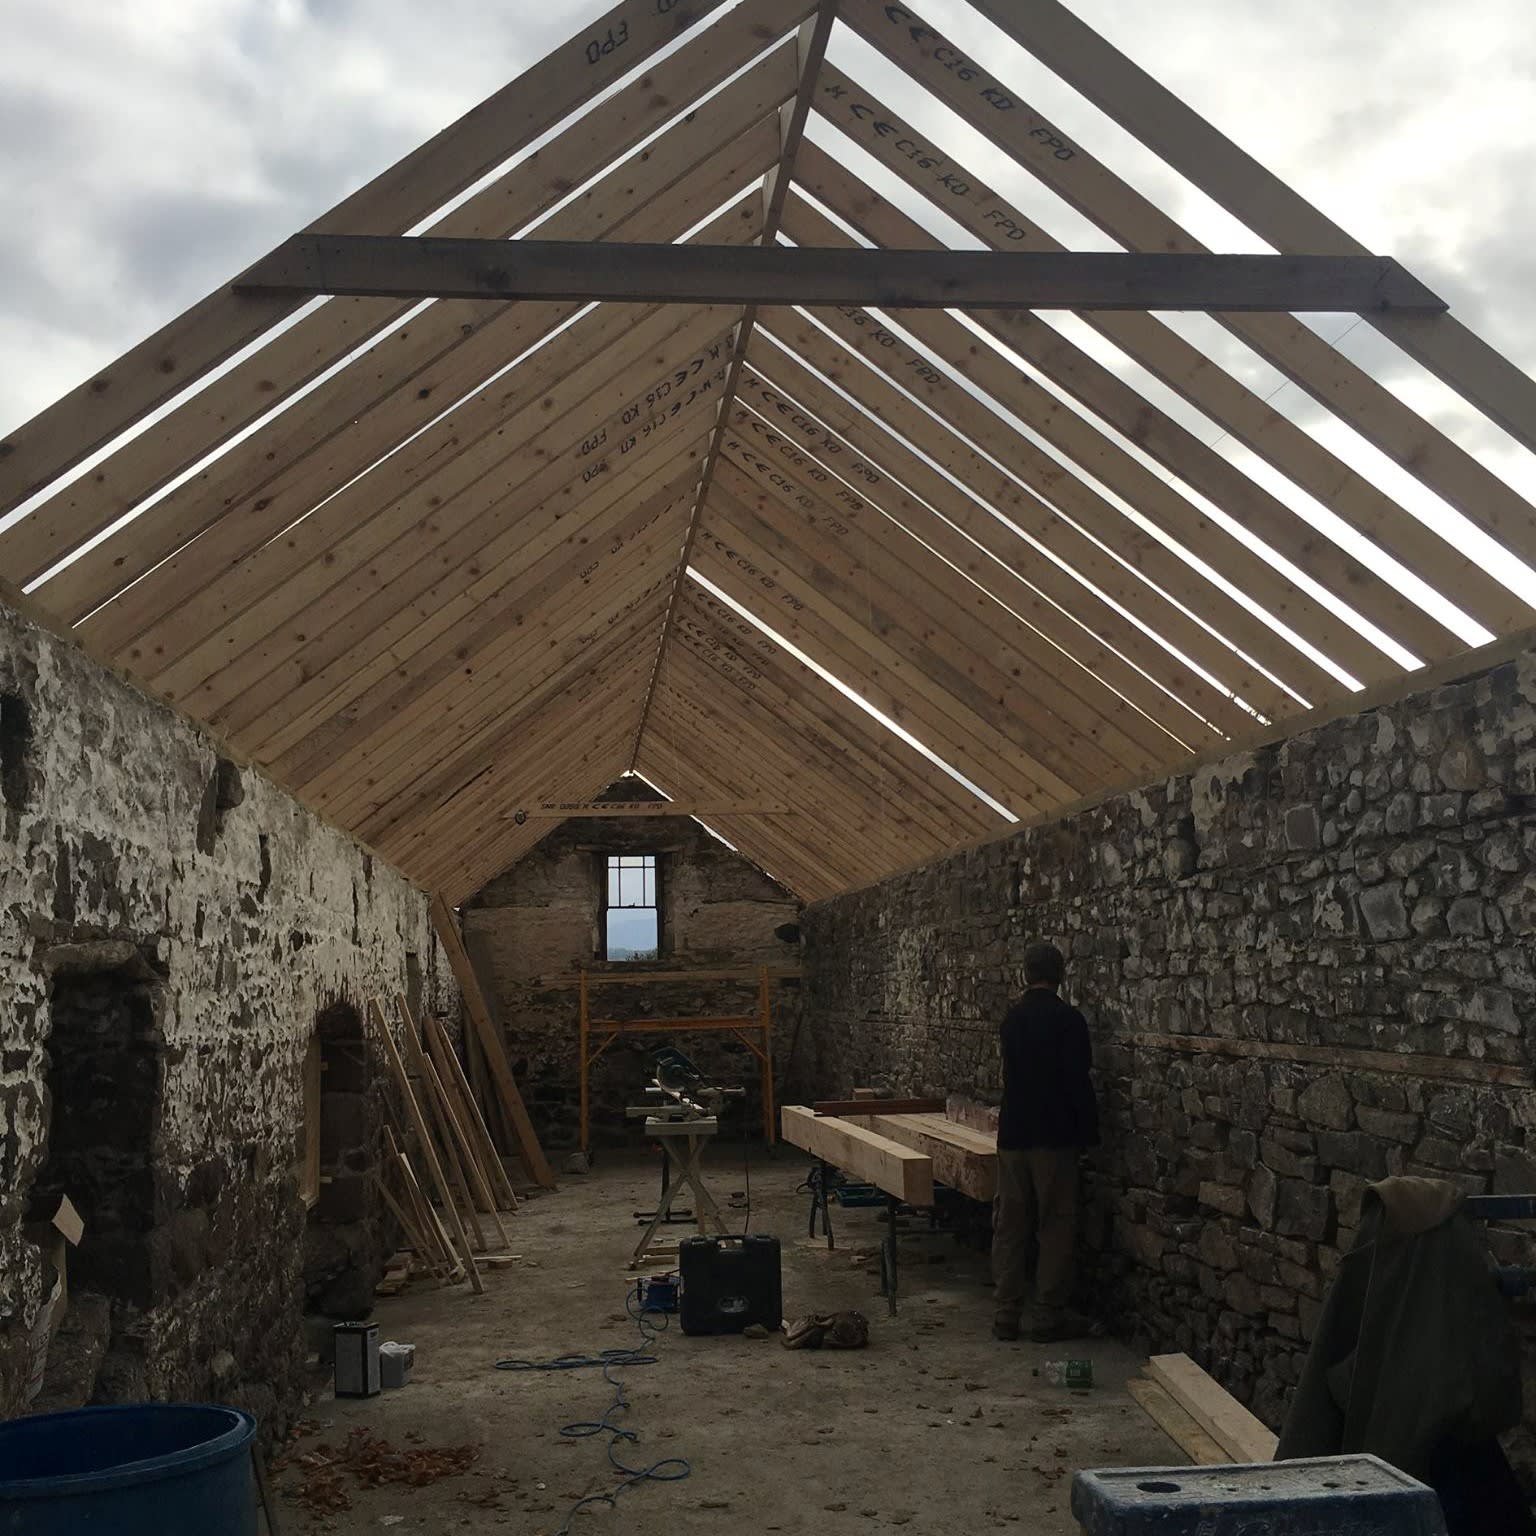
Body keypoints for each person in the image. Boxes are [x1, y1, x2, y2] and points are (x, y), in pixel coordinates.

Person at [991, 940, 1099, 1343]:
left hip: (1014, 1134)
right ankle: (1047, 1314)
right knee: (1055, 1223)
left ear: (1026, 974)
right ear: (1060, 975)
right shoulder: (1069, 1022)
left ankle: (1006, 1312)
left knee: (1010, 1223)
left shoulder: (1012, 1021)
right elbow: (1078, 1083)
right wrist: (1089, 1134)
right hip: (1054, 1138)